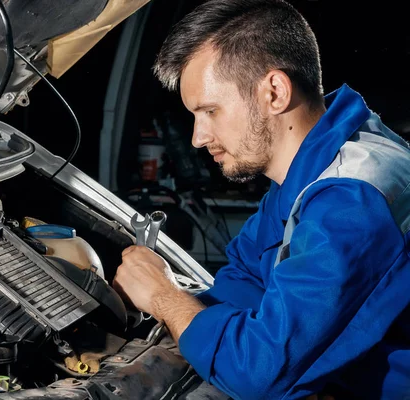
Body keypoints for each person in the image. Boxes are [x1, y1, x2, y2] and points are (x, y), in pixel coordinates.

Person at [112, 0, 410, 399]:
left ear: (274, 92)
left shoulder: (351, 201)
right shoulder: (312, 166)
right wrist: (169, 307)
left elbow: (259, 373)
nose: (197, 138)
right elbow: (247, 279)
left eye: (210, 111)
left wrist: (166, 298)